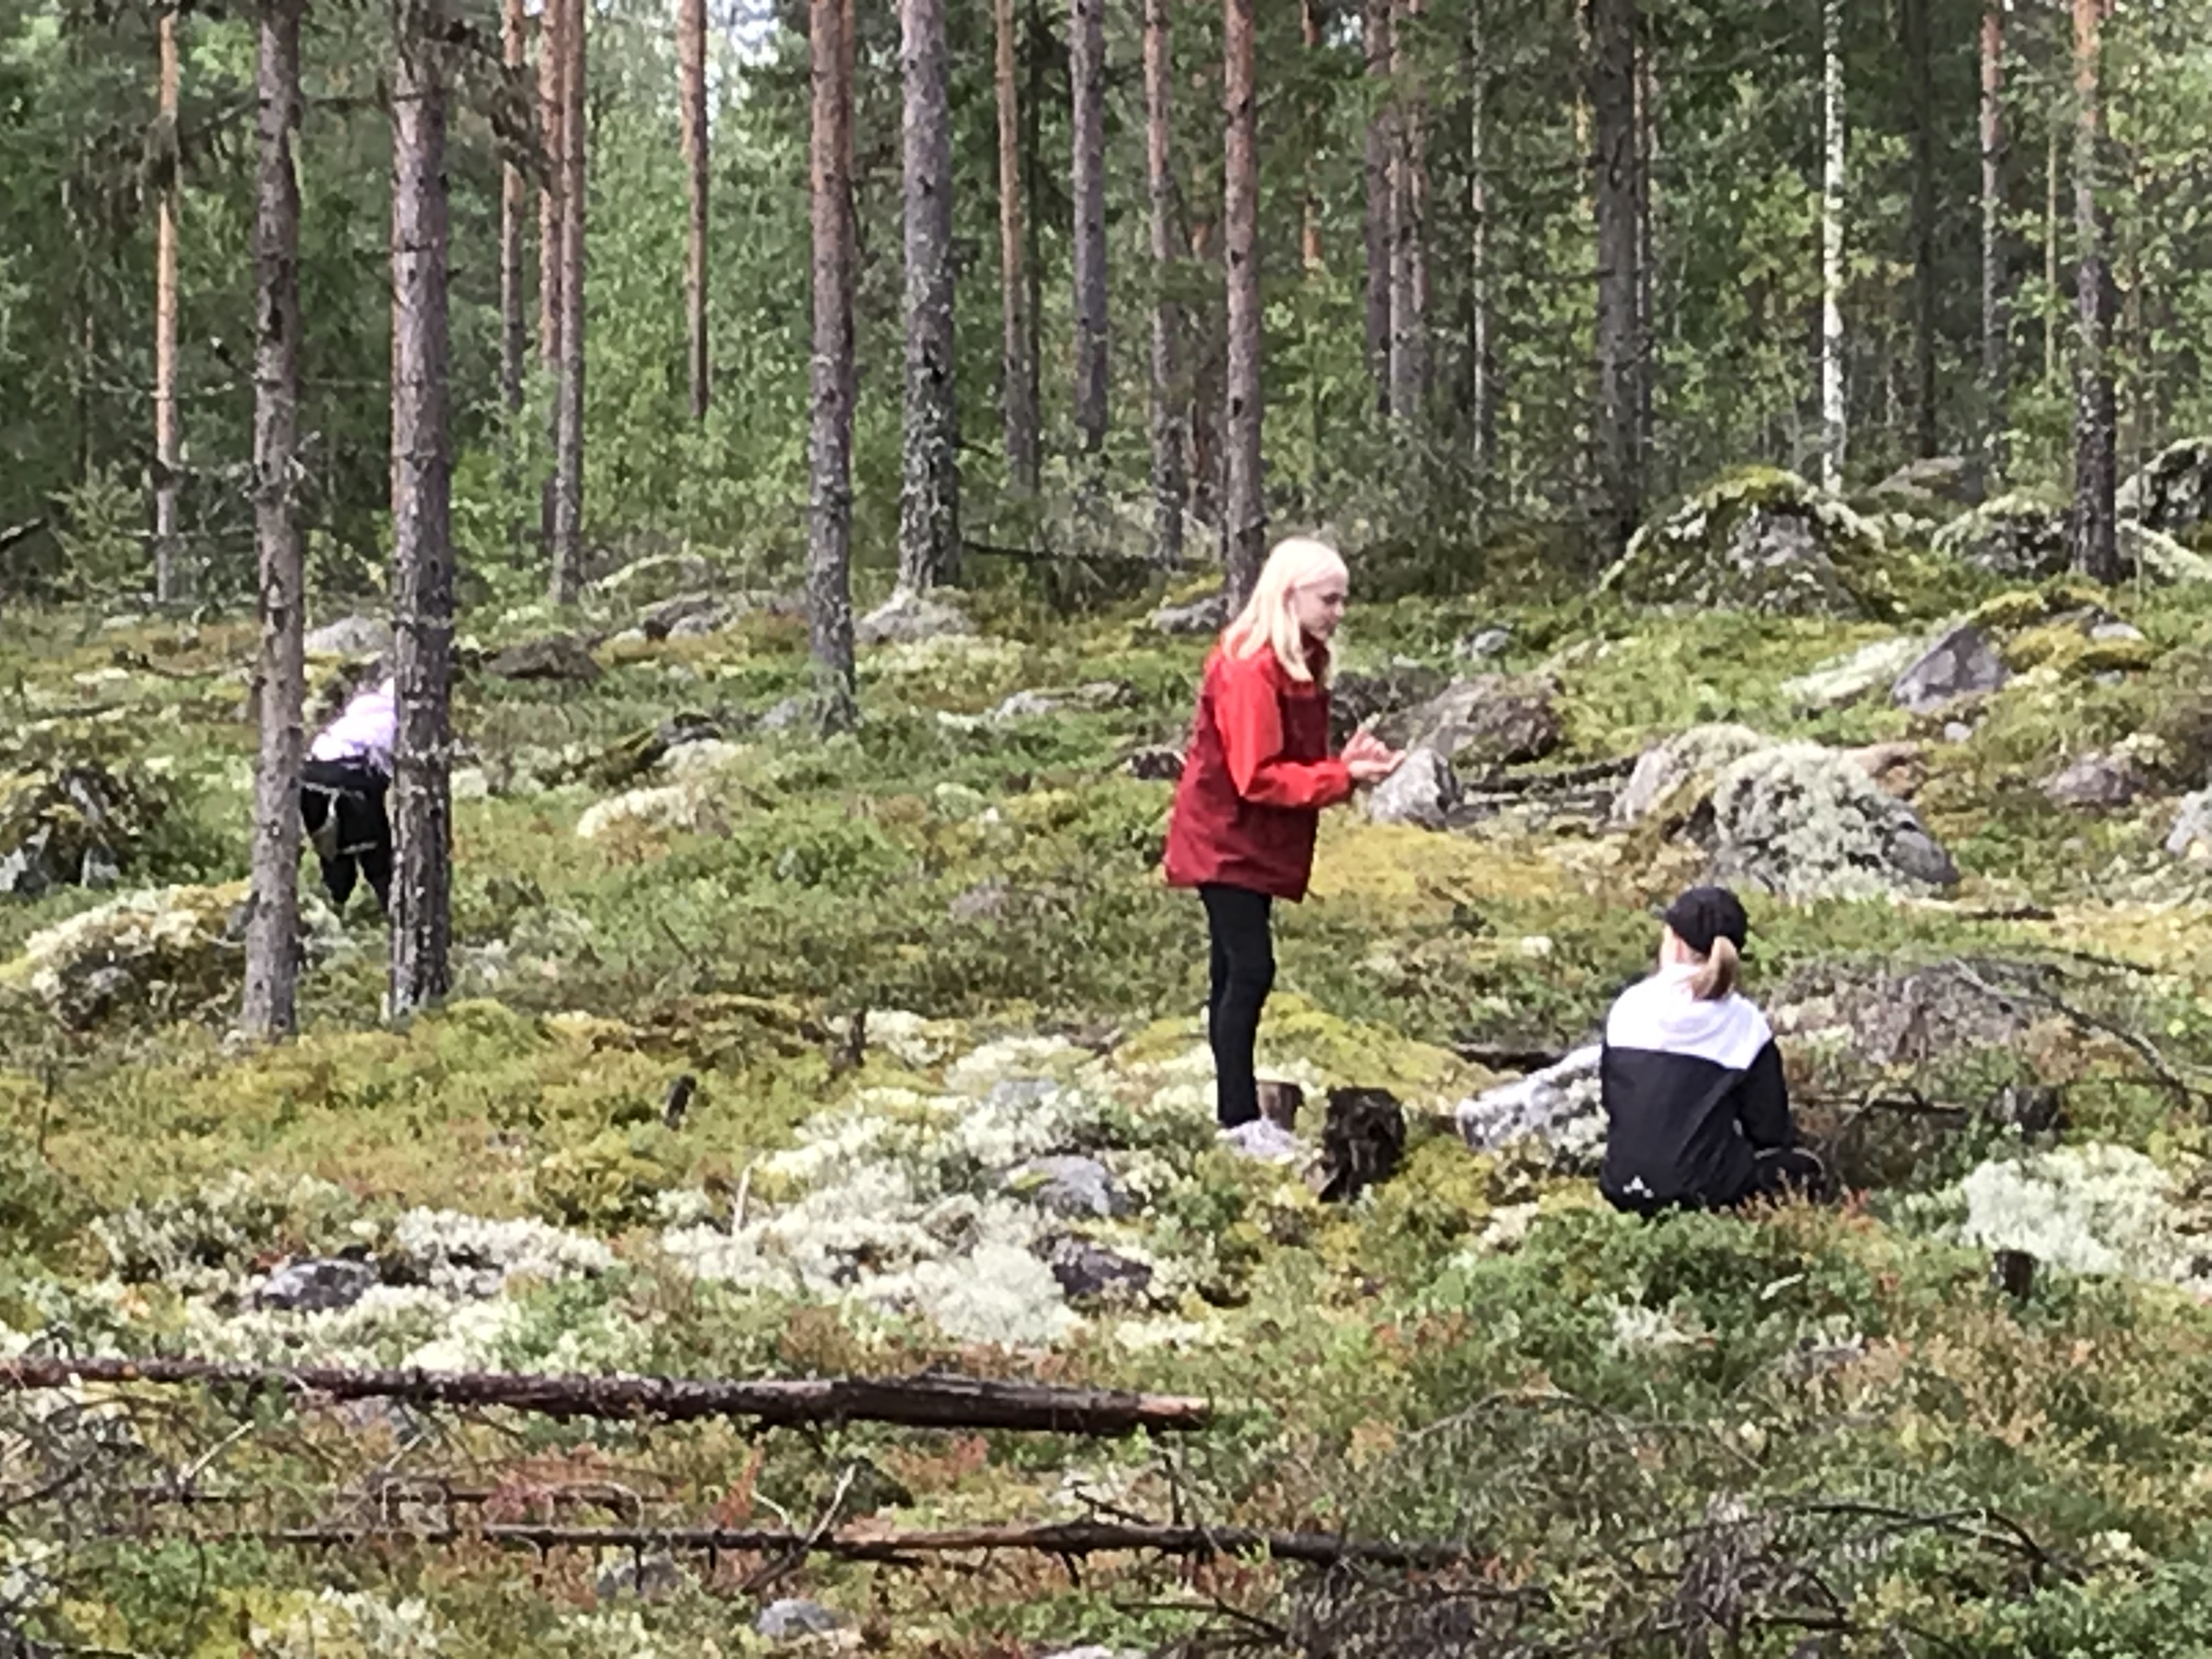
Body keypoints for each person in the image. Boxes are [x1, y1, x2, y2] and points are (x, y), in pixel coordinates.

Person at [1163, 538, 1402, 1130]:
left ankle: (1238, 1112)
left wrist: (1343, 766)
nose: (1339, 612)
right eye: (1329, 599)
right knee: (1249, 969)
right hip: (1224, 843)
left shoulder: (1296, 659)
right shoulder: (1251, 668)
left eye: (1342, 599)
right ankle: (1239, 1119)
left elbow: (1282, 761)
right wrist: (1341, 777)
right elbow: (1257, 776)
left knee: (1232, 971)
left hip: (1244, 842)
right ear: (1289, 594)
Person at [1599, 885, 1826, 1216]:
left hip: (1621, 1185)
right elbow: (1769, 1129)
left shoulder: (1629, 1005)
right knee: (1801, 1171)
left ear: (1674, 941)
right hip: (1706, 1191)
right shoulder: (1744, 1021)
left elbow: (1613, 1101)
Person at [300, 669, 396, 915]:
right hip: (350, 782)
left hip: (311, 779)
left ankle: (335, 908)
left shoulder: (358, 712)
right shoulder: (397, 721)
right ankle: (394, 908)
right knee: (375, 851)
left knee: (332, 851)